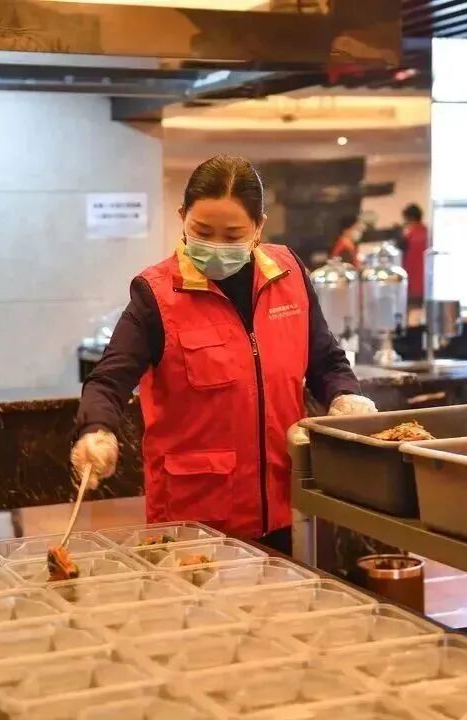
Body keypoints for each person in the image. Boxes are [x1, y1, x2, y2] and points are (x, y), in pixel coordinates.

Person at [71, 155, 376, 554]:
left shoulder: (288, 276)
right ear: (182, 217)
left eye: (232, 236)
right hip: (193, 522)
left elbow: (326, 361)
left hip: (284, 508)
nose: (216, 247)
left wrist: (345, 396)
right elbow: (108, 380)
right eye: (202, 231)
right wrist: (96, 429)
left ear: (259, 227)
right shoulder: (156, 295)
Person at [401, 203, 429, 304]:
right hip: (426, 285)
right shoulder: (428, 233)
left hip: (411, 284)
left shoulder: (408, 235)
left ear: (411, 218)